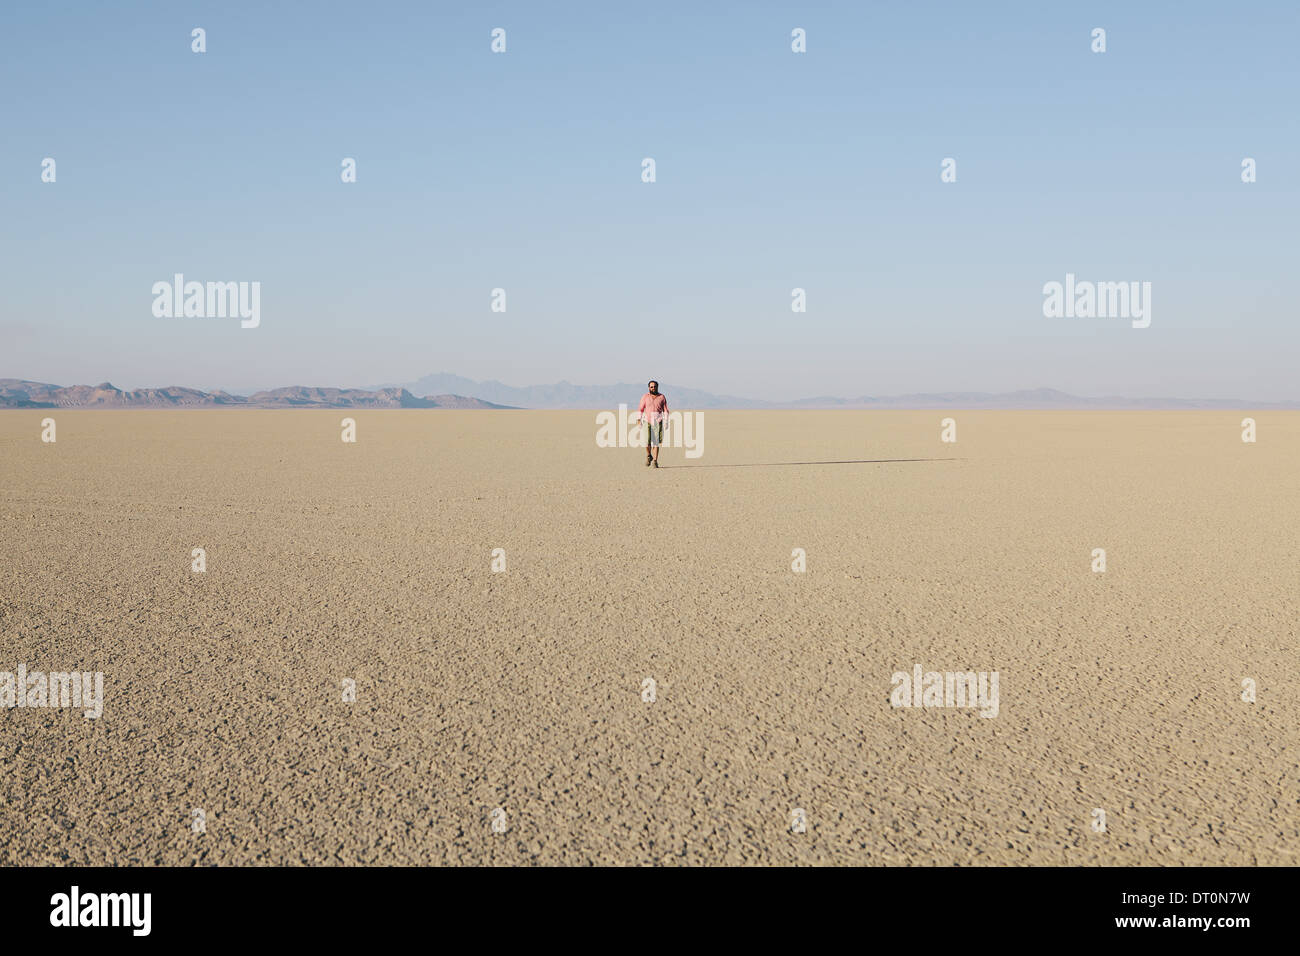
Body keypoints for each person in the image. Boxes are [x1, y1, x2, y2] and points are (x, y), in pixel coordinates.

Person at [637, 380, 668, 468]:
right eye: (651, 387)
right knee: (647, 442)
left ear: (657, 387)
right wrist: (639, 420)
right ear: (649, 388)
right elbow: (640, 409)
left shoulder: (662, 397)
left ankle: (655, 461)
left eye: (654, 386)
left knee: (656, 443)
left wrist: (666, 421)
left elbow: (665, 409)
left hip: (658, 421)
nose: (653, 388)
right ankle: (648, 455)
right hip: (647, 421)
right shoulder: (645, 397)